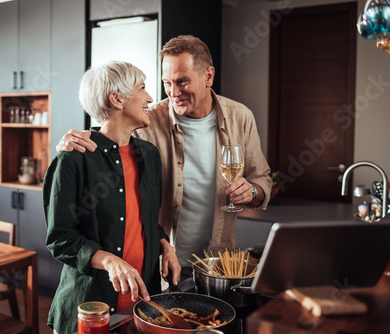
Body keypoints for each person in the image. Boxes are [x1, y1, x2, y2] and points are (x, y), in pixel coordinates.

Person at [56, 35, 272, 277]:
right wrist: (72, 142)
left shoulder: (240, 117)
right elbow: (111, 132)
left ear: (208, 76)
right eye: (167, 83)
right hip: (163, 263)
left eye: (182, 82)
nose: (173, 92)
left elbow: (262, 179)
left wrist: (252, 191)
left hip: (218, 261)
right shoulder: (148, 119)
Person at [43, 61, 181, 333]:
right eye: (142, 88)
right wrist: (109, 260)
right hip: (90, 306)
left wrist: (164, 243)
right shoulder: (73, 159)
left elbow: (144, 220)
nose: (150, 98)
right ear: (117, 99)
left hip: (141, 305)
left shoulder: (149, 155)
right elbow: (60, 239)